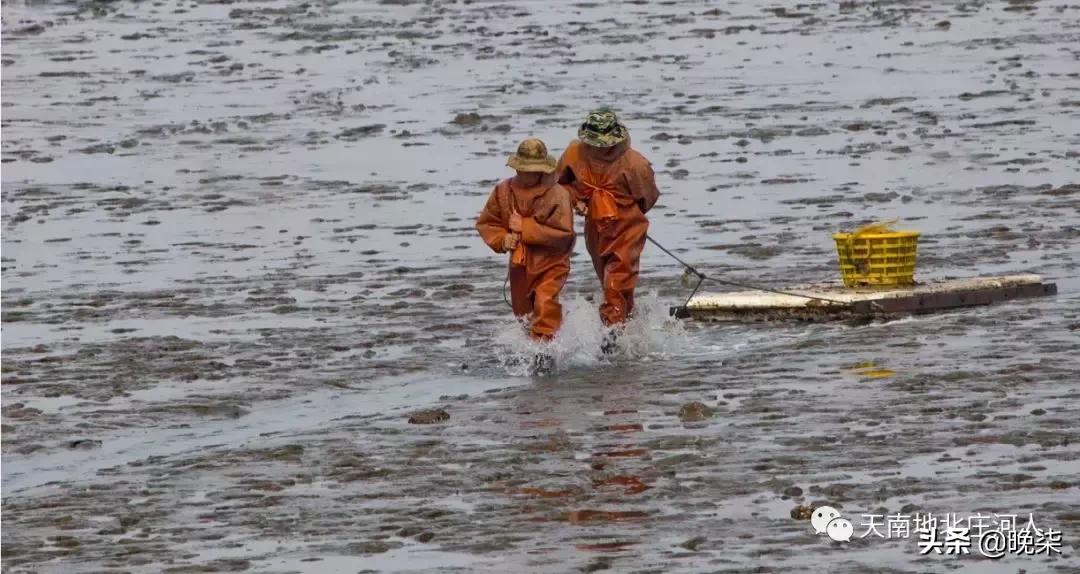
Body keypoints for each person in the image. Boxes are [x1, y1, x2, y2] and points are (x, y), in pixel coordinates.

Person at [556, 110, 659, 353]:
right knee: (608, 280)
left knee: (617, 281)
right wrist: (577, 200)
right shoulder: (573, 153)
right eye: (592, 144)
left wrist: (619, 207)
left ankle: (611, 339)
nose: (598, 150)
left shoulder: (635, 164)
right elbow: (560, 184)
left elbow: (647, 198)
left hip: (627, 227)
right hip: (595, 227)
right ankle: (628, 328)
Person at [476, 138, 575, 372]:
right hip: (519, 264)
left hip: (552, 262)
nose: (527, 174)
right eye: (523, 169)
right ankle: (533, 351)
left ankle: (546, 355)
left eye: (533, 170)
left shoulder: (557, 194)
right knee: (523, 313)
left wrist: (526, 227)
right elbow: (487, 223)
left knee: (545, 302)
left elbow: (564, 235)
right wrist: (502, 239)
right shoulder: (502, 191)